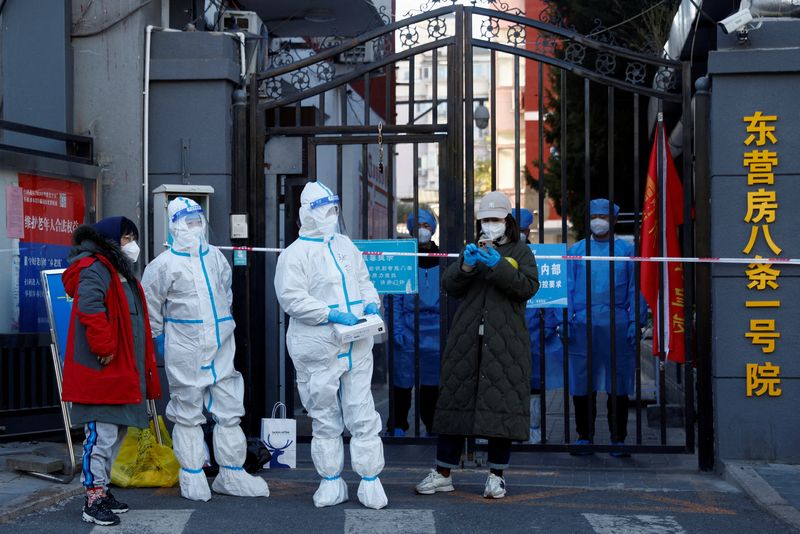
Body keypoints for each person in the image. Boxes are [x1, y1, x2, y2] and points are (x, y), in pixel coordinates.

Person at [142, 197, 268, 501]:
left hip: (222, 343)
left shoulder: (214, 257)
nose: (195, 227)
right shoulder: (162, 266)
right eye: (189, 222)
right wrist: (158, 337)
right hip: (185, 346)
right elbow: (151, 306)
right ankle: (193, 474)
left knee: (229, 409)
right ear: (174, 225)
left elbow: (225, 291)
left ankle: (232, 474)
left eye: (199, 220)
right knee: (187, 412)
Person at [416, 191, 538, 499]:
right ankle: (443, 472)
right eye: (485, 220)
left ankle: (496, 475)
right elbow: (450, 287)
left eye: (495, 219)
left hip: (504, 341)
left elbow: (527, 288)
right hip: (467, 338)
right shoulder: (471, 248)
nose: (490, 225)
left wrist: (500, 265)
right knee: (455, 402)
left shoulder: (522, 252)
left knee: (501, 406)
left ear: (507, 221)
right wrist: (466, 266)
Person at [274, 181, 387, 510]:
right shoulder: (295, 255)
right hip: (318, 346)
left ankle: (370, 480)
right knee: (324, 416)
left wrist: (370, 304)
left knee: (362, 412)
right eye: (324, 210)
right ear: (307, 214)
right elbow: (292, 299)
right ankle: (330, 481)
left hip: (356, 343)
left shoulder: (344, 245)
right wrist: (329, 314)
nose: (331, 216)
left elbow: (363, 280)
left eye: (333, 210)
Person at [61, 216, 161, 526]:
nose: (132, 244)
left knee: (114, 432)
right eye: (127, 238)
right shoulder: (97, 268)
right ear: (110, 240)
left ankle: (102, 491)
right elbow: (91, 308)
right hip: (103, 367)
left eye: (133, 237)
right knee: (100, 435)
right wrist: (104, 347)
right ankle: (92, 497)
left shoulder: (118, 271)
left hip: (121, 369)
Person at [565, 198, 642, 457]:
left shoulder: (626, 251)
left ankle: (618, 438)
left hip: (617, 322)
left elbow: (636, 289)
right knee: (581, 380)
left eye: (604, 216)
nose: (599, 221)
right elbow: (567, 287)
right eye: (595, 215)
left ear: (614, 220)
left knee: (618, 381)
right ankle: (584, 436)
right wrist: (564, 319)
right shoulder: (576, 250)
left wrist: (636, 320)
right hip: (582, 322)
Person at [388, 209, 441, 437]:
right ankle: (398, 425)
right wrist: (397, 329)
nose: (423, 230)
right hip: (408, 332)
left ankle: (432, 425)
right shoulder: (404, 259)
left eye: (427, 226)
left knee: (432, 386)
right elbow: (395, 299)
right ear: (410, 229)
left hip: (437, 334)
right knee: (402, 383)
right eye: (418, 225)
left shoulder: (443, 258)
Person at [512, 208, 562, 444]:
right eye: (517, 230)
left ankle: (533, 428)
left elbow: (553, 293)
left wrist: (550, 325)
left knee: (534, 385)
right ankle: (509, 429)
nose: (521, 234)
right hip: (507, 329)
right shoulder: (499, 254)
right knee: (508, 382)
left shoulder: (542, 256)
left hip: (535, 331)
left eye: (524, 230)